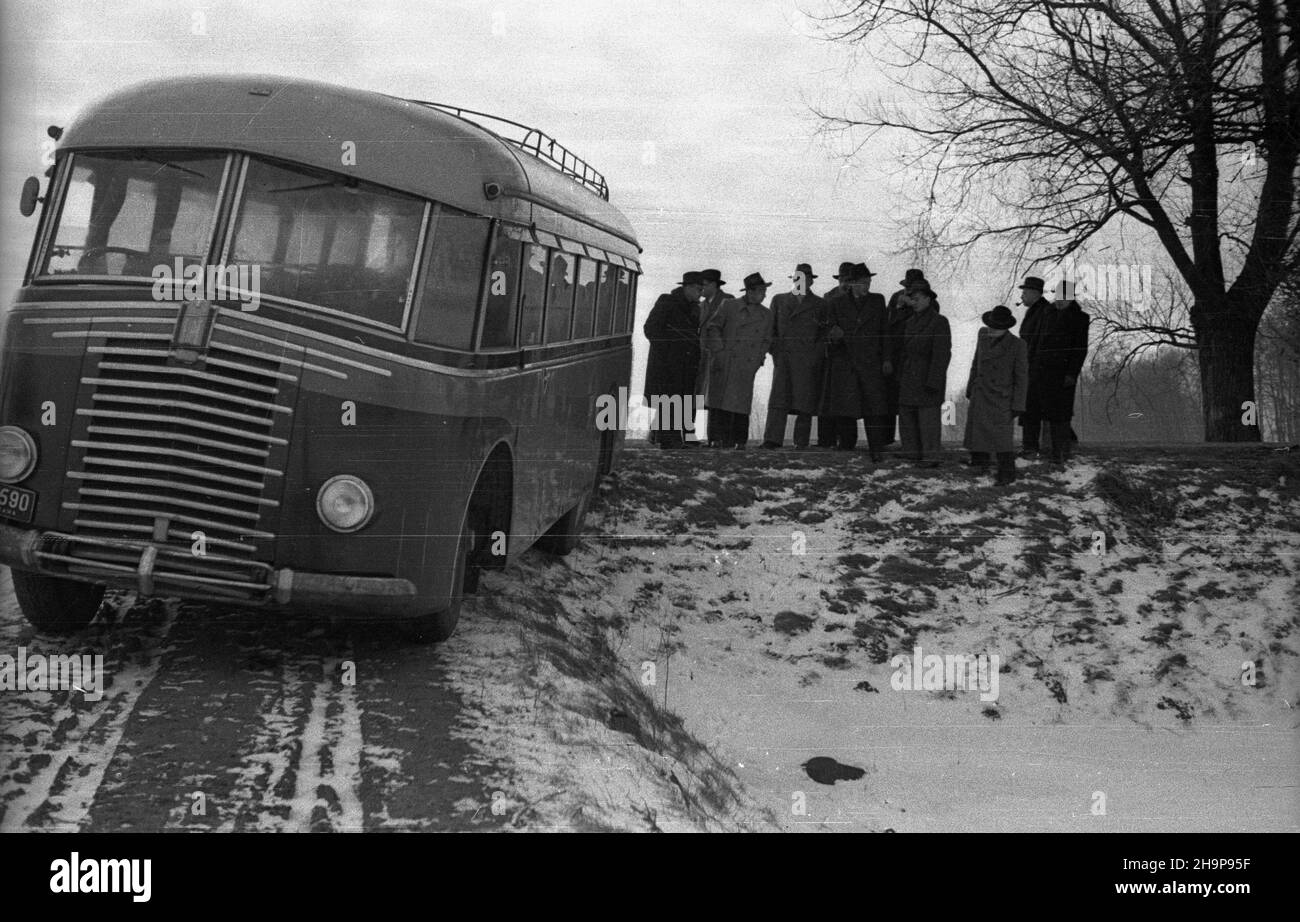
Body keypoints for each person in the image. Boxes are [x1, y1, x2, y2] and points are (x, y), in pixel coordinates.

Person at [818, 263, 891, 457]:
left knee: (873, 406)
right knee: (845, 408)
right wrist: (833, 335)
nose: (867, 286)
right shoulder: (836, 303)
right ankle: (846, 447)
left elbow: (885, 333)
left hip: (871, 362)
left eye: (869, 282)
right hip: (846, 361)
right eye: (863, 283)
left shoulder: (878, 301)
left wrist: (886, 359)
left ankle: (876, 447)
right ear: (852, 284)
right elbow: (828, 331)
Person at [1018, 277, 1090, 464]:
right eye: (1058, 296)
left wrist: (1071, 374)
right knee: (1031, 410)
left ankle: (1060, 453)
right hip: (1038, 370)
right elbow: (1035, 342)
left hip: (1061, 374)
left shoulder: (1080, 318)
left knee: (1059, 415)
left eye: (1064, 298)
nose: (1060, 301)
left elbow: (1080, 350)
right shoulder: (1046, 313)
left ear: (1071, 298)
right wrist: (1029, 365)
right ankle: (1030, 449)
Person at [704, 272, 774, 449]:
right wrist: (719, 352)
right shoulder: (729, 305)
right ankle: (716, 439)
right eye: (761, 291)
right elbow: (713, 328)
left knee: (741, 404)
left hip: (746, 365)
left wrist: (758, 361)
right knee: (719, 403)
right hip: (724, 362)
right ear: (750, 292)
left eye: (765, 291)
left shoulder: (766, 315)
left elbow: (766, 340)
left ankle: (739, 441)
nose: (764, 295)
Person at [761, 263, 825, 449]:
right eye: (797, 278)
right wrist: (775, 351)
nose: (801, 282)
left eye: (805, 279)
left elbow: (823, 335)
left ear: (812, 281)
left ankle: (801, 441)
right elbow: (770, 330)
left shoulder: (820, 304)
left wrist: (815, 355)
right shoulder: (779, 300)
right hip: (784, 358)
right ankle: (772, 439)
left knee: (805, 401)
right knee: (779, 399)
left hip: (807, 360)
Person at [963, 304, 1028, 486]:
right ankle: (980, 464)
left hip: (1001, 398)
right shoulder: (983, 336)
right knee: (978, 432)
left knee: (1002, 439)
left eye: (995, 326)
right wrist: (971, 387)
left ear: (1005, 327)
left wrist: (1018, 405)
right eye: (990, 324)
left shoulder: (1017, 345)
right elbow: (976, 363)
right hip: (981, 392)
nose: (990, 328)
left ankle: (1007, 474)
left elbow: (1022, 377)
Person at [644, 271, 703, 449]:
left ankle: (668, 437)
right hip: (666, 363)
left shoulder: (694, 308)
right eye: (698, 289)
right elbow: (651, 328)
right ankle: (669, 439)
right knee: (668, 399)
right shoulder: (667, 302)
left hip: (687, 363)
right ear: (688, 287)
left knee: (681, 399)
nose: (700, 293)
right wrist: (669, 349)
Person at [896, 277, 951, 465]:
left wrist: (933, 381)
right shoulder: (910, 322)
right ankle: (911, 451)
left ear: (929, 299)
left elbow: (942, 355)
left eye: (918, 298)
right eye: (912, 299)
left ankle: (931, 455)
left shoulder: (939, 322)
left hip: (927, 377)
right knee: (907, 414)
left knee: (928, 419)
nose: (915, 302)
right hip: (909, 376)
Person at [817, 262, 857, 448]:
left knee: (847, 400)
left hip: (849, 356)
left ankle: (847, 440)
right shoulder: (828, 298)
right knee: (826, 399)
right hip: (829, 355)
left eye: (849, 280)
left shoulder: (857, 299)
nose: (845, 283)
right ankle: (826, 439)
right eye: (843, 279)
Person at [884, 268, 925, 447]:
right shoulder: (896, 297)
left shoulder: (927, 300)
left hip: (914, 356)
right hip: (895, 353)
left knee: (913, 399)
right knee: (890, 396)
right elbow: (887, 323)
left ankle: (914, 441)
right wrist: (900, 307)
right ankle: (887, 437)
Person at [696, 268, 731, 444]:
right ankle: (692, 437)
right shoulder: (701, 304)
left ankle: (716, 438)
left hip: (719, 357)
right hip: (701, 357)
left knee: (717, 399)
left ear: (714, 285)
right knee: (699, 397)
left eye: (704, 285)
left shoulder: (729, 302)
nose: (701, 289)